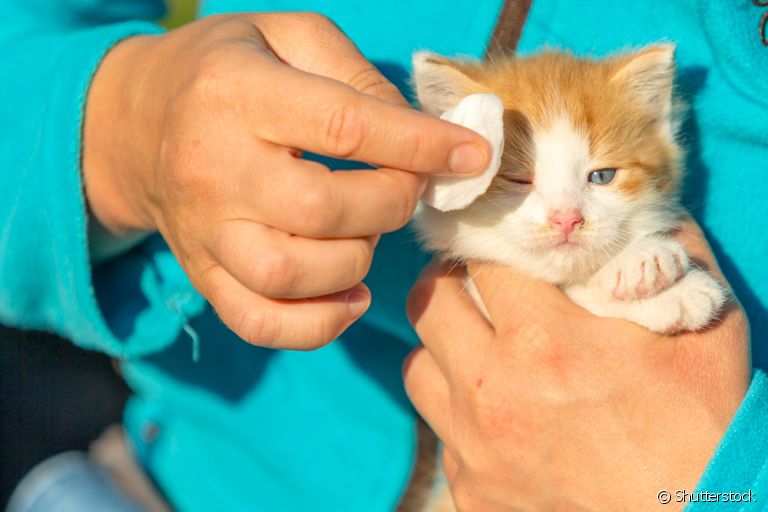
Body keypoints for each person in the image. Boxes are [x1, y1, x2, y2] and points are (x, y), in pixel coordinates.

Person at [0, 1, 765, 511]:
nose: (564, 215)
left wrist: (715, 489)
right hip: (159, 483)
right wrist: (121, 117)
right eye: (520, 181)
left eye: (600, 177)